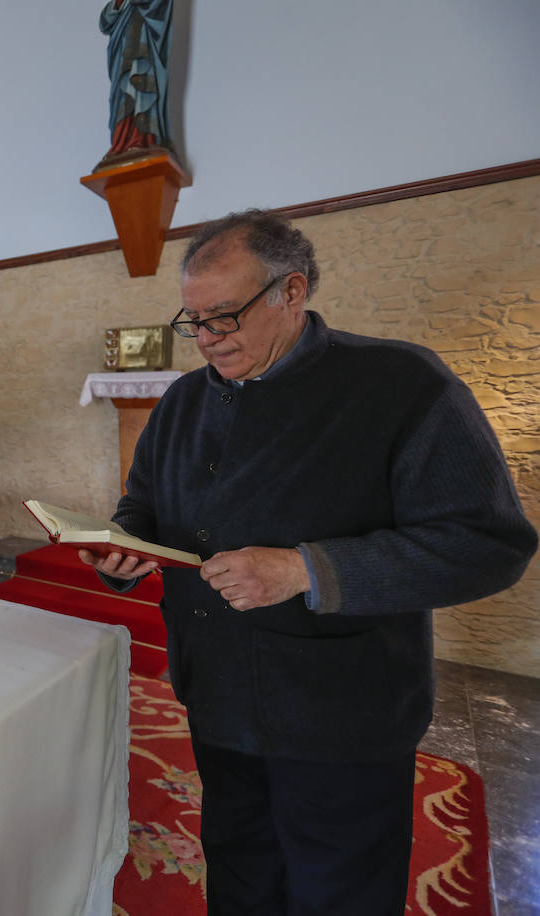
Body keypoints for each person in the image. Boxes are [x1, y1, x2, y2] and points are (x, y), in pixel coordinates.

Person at [79, 210, 536, 914]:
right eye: (192, 320)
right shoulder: (181, 400)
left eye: (224, 316)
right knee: (240, 869)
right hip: (218, 694)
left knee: (338, 889)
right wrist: (124, 542)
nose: (206, 339)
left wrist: (303, 570)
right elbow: (144, 501)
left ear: (291, 292)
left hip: (340, 709)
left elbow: (488, 545)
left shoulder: (400, 384)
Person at [98, 0, 174, 167]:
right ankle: (120, 143)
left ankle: (142, 139)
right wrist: (117, 5)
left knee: (140, 87)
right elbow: (104, 23)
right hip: (122, 49)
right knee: (122, 95)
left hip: (143, 39)